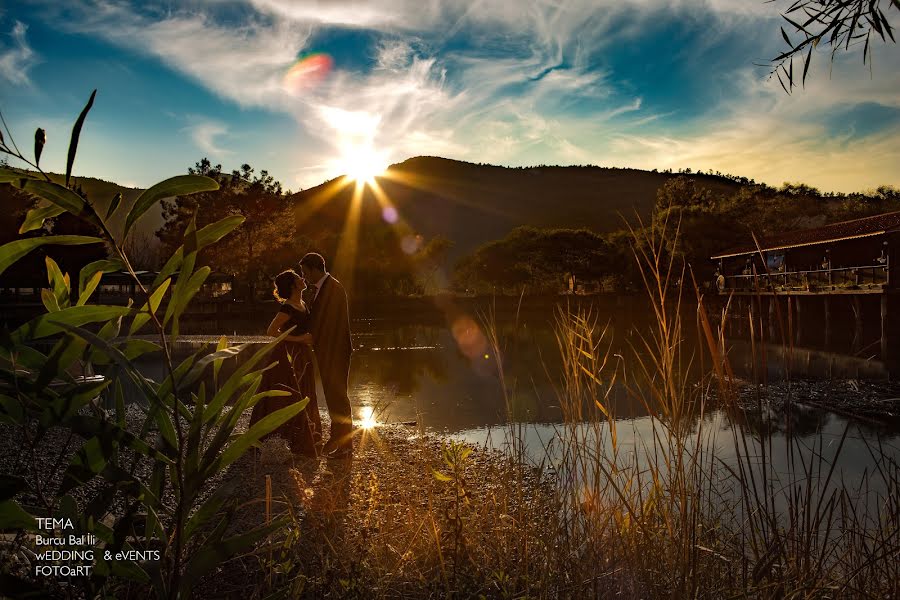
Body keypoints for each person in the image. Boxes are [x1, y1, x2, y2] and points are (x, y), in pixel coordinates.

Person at [249, 270, 321, 458]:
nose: (303, 278)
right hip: (287, 356)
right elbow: (271, 331)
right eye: (298, 278)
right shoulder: (287, 308)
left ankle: (303, 437)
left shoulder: (303, 303)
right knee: (288, 394)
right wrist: (299, 339)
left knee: (304, 391)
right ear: (292, 285)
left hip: (302, 355)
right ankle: (286, 439)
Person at [298, 252, 354, 459]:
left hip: (336, 352)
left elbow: (328, 323)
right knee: (333, 396)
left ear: (315, 269)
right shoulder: (323, 288)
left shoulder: (333, 288)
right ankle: (337, 438)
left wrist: (309, 336)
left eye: (305, 272)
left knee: (338, 397)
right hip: (327, 351)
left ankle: (345, 446)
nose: (304, 278)